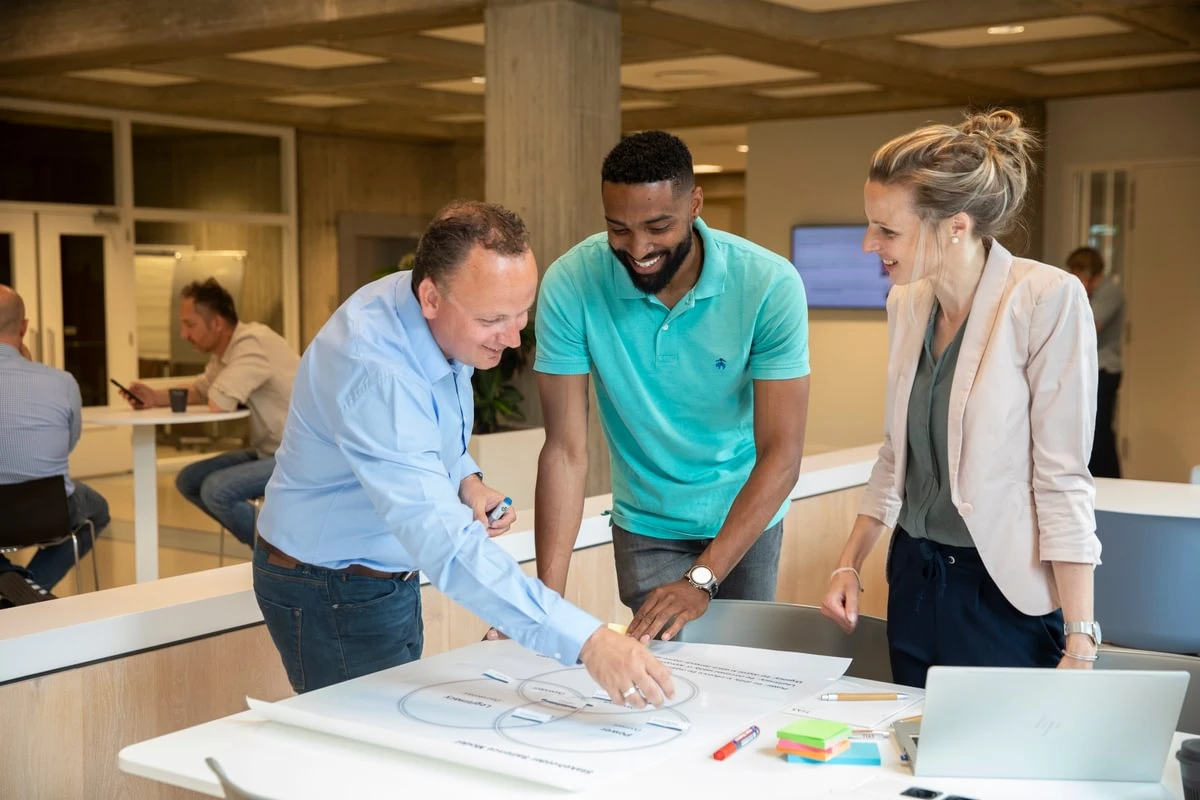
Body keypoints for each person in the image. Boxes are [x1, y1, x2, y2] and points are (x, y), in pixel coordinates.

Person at [252, 200, 674, 705]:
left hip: (381, 576)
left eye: (522, 314)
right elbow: (446, 545)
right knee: (372, 762)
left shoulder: (433, 316)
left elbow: (430, 432)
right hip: (331, 588)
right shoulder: (377, 370)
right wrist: (587, 640)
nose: (514, 338)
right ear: (431, 296)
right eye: (494, 319)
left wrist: (466, 479)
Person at [820, 110, 1103, 688]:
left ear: (955, 225)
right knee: (914, 760)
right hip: (916, 580)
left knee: (1001, 771)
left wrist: (1081, 637)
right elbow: (895, 455)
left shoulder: (1045, 299)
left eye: (887, 230)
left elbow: (1062, 476)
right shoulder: (907, 304)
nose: (869, 243)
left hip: (1000, 592)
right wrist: (850, 559)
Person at [531, 131, 810, 644]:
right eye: (619, 228)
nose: (638, 249)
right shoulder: (571, 282)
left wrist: (702, 578)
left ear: (695, 204)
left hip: (745, 514)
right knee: (660, 675)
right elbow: (565, 452)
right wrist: (543, 605)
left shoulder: (770, 284)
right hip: (646, 523)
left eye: (658, 226)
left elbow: (782, 455)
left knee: (742, 672)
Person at [121, 279, 298, 546]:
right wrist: (154, 398)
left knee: (217, 491)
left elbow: (219, 401)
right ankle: (269, 544)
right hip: (269, 450)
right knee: (189, 480)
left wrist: (206, 390)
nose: (183, 334)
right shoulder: (225, 353)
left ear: (216, 323)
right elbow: (203, 389)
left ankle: (282, 551)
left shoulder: (252, 343)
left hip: (297, 456)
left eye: (189, 324)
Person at [0, 285, 110, 601]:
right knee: (97, 510)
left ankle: (13, 583)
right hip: (49, 510)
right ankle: (25, 590)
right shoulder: (61, 381)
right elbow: (68, 442)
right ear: (24, 327)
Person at [1066, 247, 1125, 479]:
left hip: (1106, 369)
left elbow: (1089, 324)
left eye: (1077, 272)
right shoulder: (1088, 293)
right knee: (1089, 428)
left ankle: (1109, 481)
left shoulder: (1111, 292)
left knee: (1100, 431)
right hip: (1090, 370)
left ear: (1088, 272)